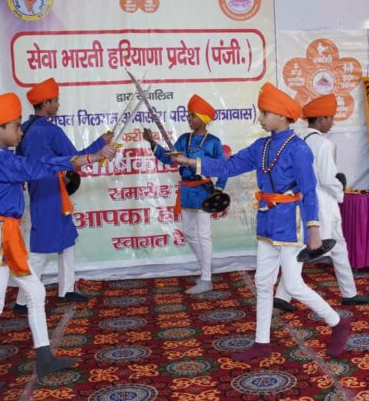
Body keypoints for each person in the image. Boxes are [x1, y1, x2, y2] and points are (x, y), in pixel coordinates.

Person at [173, 83, 350, 360]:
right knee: (263, 283)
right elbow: (229, 166)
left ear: (281, 116)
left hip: (291, 224)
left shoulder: (299, 149)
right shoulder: (261, 146)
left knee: (293, 285)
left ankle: (338, 323)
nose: (260, 118)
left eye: (264, 113)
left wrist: (314, 229)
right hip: (267, 220)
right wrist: (190, 161)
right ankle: (262, 343)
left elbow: (309, 191)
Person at [0, 92, 116, 392]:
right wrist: (90, 157)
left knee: (35, 293)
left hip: (4, 236)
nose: (20, 131)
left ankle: (44, 357)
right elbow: (40, 166)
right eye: (15, 126)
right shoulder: (0, 162)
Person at [13, 78, 112, 313]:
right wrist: (101, 143)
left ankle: (66, 289)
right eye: (55, 101)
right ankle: (22, 301)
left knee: (67, 240)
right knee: (39, 249)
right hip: (49, 191)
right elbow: (74, 158)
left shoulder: (24, 129)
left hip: (41, 189)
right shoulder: (49, 130)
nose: (58, 104)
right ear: (46, 103)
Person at [273, 94, 369, 313]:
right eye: (330, 118)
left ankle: (347, 293)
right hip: (323, 203)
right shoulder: (324, 144)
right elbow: (328, 179)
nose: (332, 123)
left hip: (300, 201)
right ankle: (285, 295)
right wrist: (340, 189)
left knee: (320, 247)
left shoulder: (297, 140)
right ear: (320, 120)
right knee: (308, 249)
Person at [143, 94, 227, 294]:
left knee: (204, 234)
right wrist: (153, 143)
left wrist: (219, 188)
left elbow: (223, 168)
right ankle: (206, 265)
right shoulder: (183, 139)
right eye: (188, 115)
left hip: (204, 191)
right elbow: (170, 159)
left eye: (192, 116)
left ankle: (206, 279)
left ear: (203, 119)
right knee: (188, 232)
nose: (188, 119)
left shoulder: (213, 142)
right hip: (187, 191)